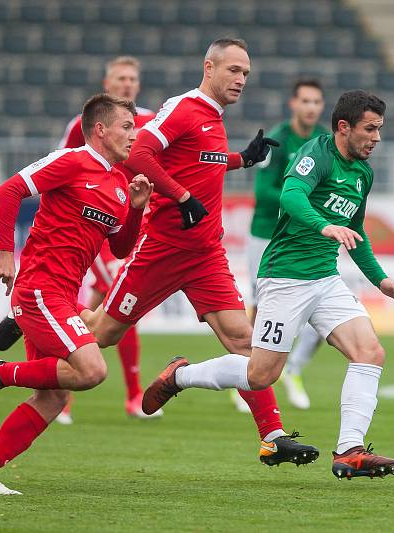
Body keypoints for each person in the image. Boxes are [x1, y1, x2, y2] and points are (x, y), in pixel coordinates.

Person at [142, 90, 394, 480]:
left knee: (369, 352)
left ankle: (350, 449)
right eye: (370, 129)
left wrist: (381, 280)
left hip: (325, 278)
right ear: (343, 127)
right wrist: (322, 224)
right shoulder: (315, 155)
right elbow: (291, 195)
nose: (377, 138)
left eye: (380, 129)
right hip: (285, 278)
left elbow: (356, 231)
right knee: (261, 374)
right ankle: (179, 376)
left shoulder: (362, 173)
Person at [80, 38, 319, 467]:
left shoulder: (213, 117)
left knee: (246, 342)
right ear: (208, 68)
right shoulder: (184, 107)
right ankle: (36, 316)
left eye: (246, 73)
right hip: (163, 250)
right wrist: (181, 195)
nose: (241, 79)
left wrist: (241, 160)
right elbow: (140, 154)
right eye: (233, 70)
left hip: (206, 253)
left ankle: (273, 437)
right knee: (100, 336)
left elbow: (199, 160)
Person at [0, 94, 154, 495]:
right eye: (127, 127)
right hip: (40, 291)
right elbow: (10, 190)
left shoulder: (119, 184)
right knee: (92, 370)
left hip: (63, 295)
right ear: (100, 129)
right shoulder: (70, 161)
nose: (135, 135)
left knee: (53, 396)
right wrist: (4, 253)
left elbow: (119, 248)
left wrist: (135, 209)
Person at [0, 56, 158, 423]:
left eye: (133, 78)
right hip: (84, 227)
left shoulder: (149, 122)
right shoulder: (80, 135)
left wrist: (137, 207)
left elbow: (165, 161)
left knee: (102, 319)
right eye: (121, 78)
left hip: (118, 212)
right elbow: (41, 175)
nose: (128, 84)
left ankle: (62, 390)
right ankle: (120, 395)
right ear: (108, 83)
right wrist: (5, 251)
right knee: (107, 316)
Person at [235, 78, 328, 412]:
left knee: (322, 304)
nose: (311, 107)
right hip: (265, 234)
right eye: (305, 101)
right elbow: (262, 192)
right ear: (294, 104)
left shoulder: (323, 142)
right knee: (261, 307)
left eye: (317, 101)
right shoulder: (279, 139)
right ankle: (245, 378)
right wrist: (302, 199)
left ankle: (293, 370)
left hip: (303, 236)